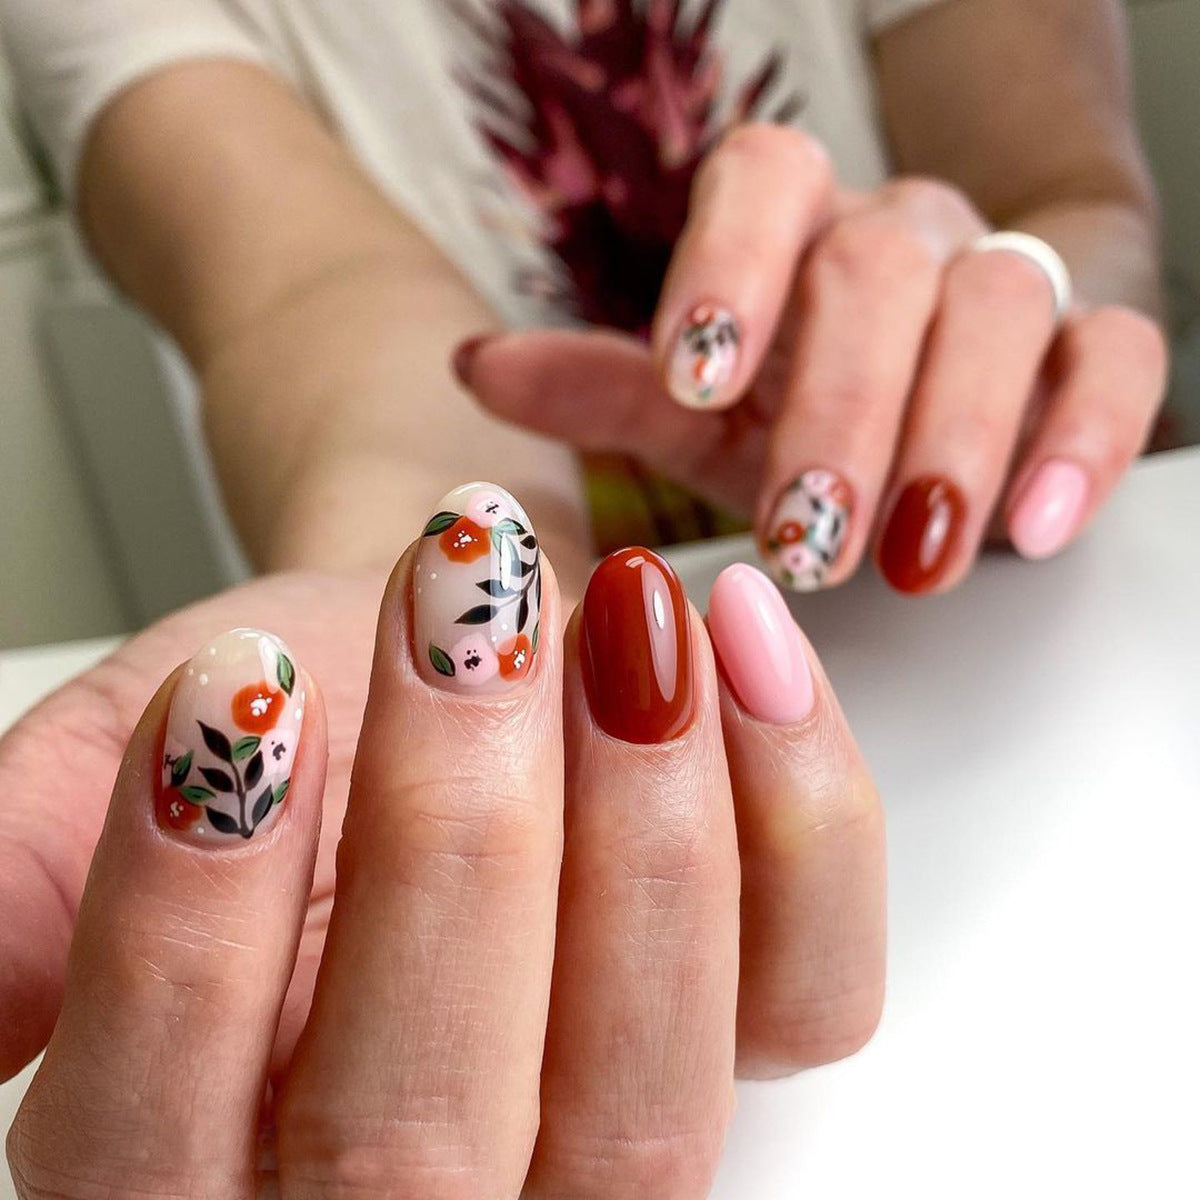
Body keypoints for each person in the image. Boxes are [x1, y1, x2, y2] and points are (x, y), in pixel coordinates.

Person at [0, 0, 1168, 1191]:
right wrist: (396, 591)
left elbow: (1081, 195)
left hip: (1059, 691)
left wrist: (1014, 314)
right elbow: (325, 305)